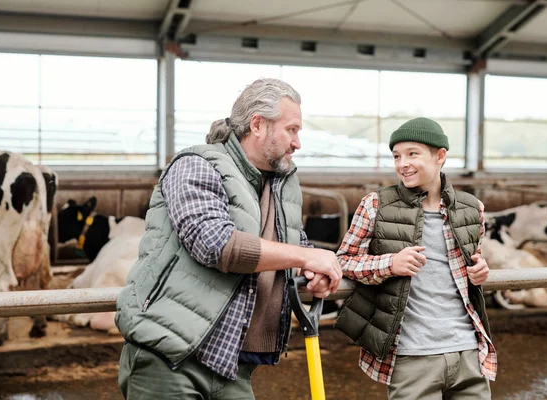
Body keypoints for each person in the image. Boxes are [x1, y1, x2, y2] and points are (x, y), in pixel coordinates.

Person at [115, 78, 342, 399]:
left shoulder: (279, 185)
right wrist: (306, 257)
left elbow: (295, 246)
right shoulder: (196, 165)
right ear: (258, 124)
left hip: (231, 362)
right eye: (292, 130)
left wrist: (313, 273)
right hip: (172, 354)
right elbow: (215, 244)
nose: (297, 143)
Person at [335, 117, 497, 399]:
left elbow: (474, 259)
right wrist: (390, 264)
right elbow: (344, 260)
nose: (402, 164)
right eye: (397, 156)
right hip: (412, 355)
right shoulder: (376, 204)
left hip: (468, 351)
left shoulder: (473, 208)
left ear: (440, 156)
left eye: (412, 154)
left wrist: (481, 271)